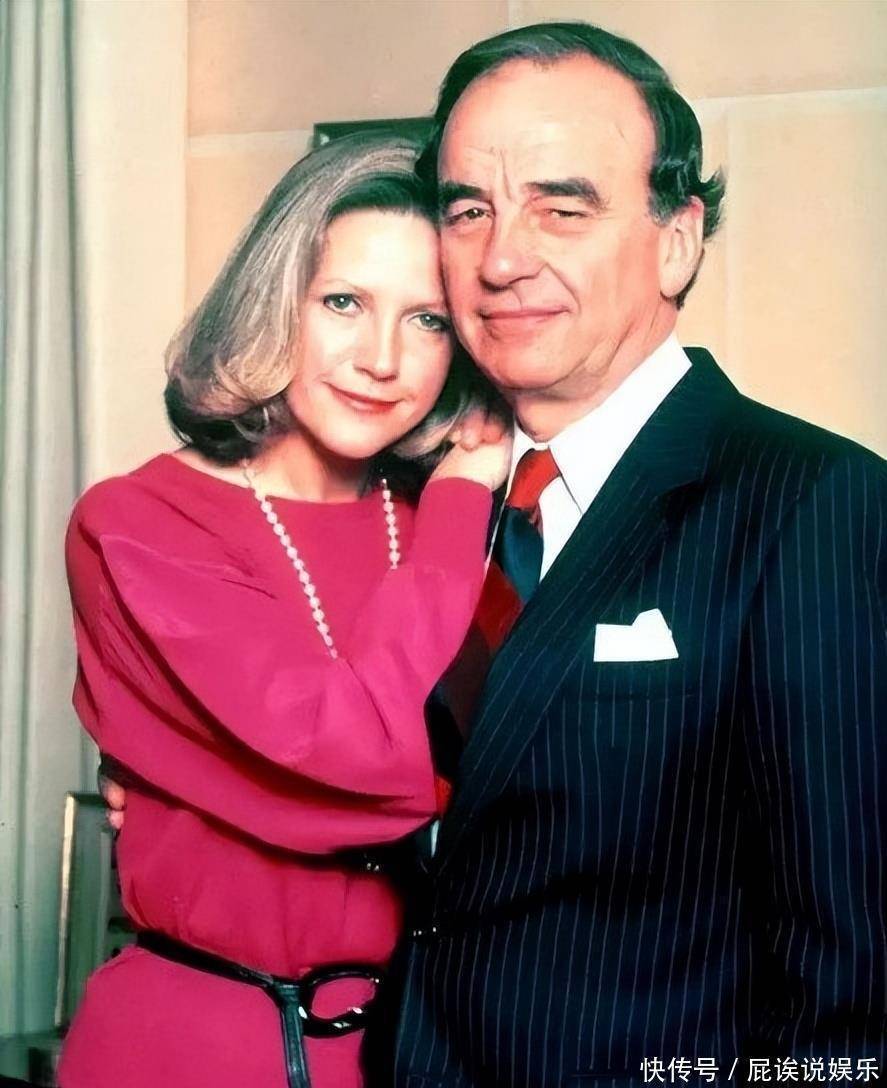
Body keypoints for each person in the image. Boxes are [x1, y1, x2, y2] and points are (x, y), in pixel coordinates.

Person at [382, 22, 887, 1087]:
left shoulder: (810, 501)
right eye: (468, 210)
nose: (501, 258)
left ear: (675, 241)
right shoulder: (412, 500)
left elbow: (850, 977)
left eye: (560, 208)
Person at [60, 134, 510, 1088]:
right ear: (274, 301)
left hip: (420, 1046)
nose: (381, 359)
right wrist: (459, 506)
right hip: (193, 1046)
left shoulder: (447, 524)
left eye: (427, 320)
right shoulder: (141, 523)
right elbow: (344, 755)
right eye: (342, 302)